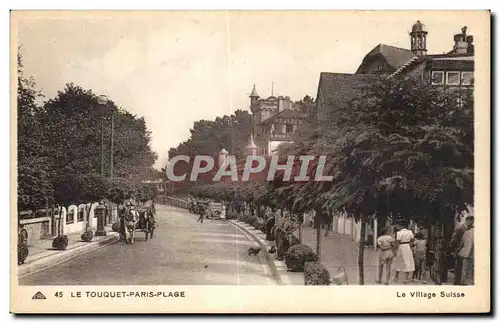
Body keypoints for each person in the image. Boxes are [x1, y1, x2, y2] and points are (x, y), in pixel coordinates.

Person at [451, 216, 474, 285]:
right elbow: (453, 241)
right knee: (459, 268)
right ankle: (457, 283)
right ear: (468, 221)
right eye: (471, 222)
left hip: (465, 252)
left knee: (462, 269)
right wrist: (457, 249)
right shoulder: (460, 229)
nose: (472, 223)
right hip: (460, 251)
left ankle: (459, 282)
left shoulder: (469, 229)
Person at [393, 220, 415, 284]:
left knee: (399, 261)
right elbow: (412, 239)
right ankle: (406, 279)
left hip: (401, 247)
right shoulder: (410, 232)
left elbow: (397, 242)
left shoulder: (399, 233)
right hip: (407, 247)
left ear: (401, 226)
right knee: (407, 261)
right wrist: (410, 242)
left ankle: (396, 277)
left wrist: (395, 250)